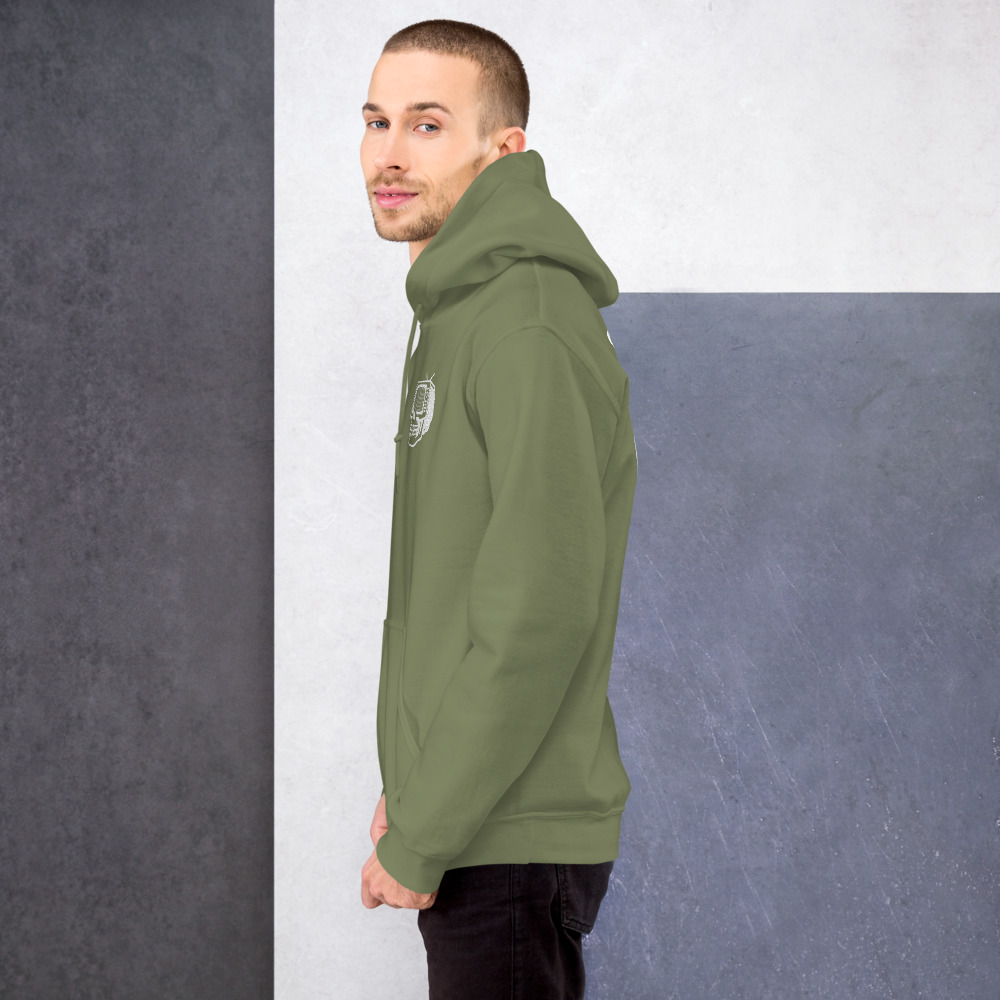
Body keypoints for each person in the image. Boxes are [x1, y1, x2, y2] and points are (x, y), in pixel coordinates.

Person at [358, 19, 637, 999]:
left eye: (428, 124)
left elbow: (537, 611)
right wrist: (418, 789)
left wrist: (428, 828)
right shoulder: (456, 313)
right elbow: (456, 591)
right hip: (475, 820)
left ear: (503, 148)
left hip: (510, 833)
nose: (390, 154)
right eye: (377, 121)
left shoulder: (524, 322)